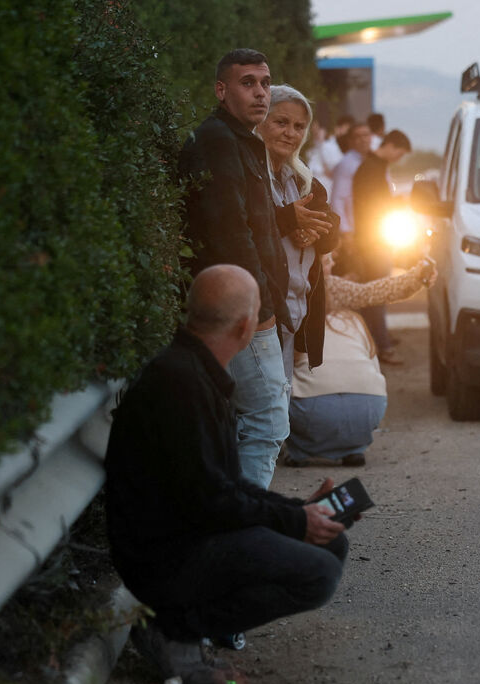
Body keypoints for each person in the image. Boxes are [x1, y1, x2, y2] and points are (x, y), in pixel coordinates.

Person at [105, 265, 349, 684]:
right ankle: (173, 630)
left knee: (331, 542)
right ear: (245, 326)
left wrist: (299, 511)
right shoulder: (182, 384)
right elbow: (214, 500)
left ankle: (185, 627)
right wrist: (294, 520)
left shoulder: (194, 372)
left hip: (189, 534)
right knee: (319, 574)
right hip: (166, 558)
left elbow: (225, 488)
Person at [178, 48, 289, 489]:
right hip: (241, 309)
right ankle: (247, 519)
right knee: (267, 421)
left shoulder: (241, 140)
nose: (261, 93)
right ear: (221, 91)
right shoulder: (218, 140)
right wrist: (257, 309)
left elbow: (253, 223)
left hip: (246, 305)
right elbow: (229, 231)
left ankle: (235, 513)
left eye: (265, 83)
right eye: (248, 83)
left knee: (244, 422)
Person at [285, 257, 437, 467]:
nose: (332, 265)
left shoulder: (331, 286)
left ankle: (299, 450)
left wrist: (415, 278)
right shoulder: (335, 302)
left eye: (332, 259)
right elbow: (372, 293)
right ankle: (352, 447)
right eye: (326, 261)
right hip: (369, 403)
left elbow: (373, 292)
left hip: (309, 406)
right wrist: (416, 277)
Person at [255, 85, 339, 381]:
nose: (290, 133)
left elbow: (331, 233)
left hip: (294, 319)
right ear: (260, 122)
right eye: (281, 122)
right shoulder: (249, 177)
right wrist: (289, 220)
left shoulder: (304, 182)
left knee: (280, 399)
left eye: (299, 126)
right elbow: (241, 230)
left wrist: (315, 231)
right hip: (260, 322)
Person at [350, 129, 412, 364]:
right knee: (377, 293)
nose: (399, 159)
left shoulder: (373, 167)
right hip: (372, 241)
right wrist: (395, 203)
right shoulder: (371, 169)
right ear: (391, 146)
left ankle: (377, 341)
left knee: (375, 293)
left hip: (372, 239)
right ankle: (381, 345)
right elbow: (371, 206)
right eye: (400, 154)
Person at [327, 122, 375, 268]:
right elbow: (338, 199)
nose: (363, 139)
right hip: (354, 230)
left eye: (366, 135)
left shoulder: (373, 160)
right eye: (358, 136)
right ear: (351, 141)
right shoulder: (346, 163)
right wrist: (346, 232)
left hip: (371, 228)